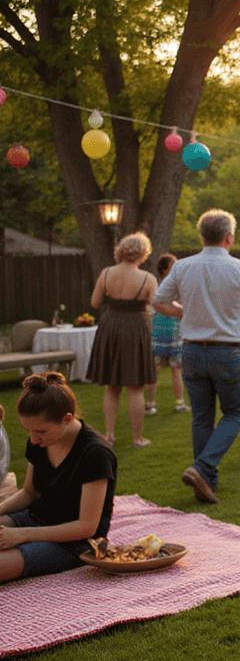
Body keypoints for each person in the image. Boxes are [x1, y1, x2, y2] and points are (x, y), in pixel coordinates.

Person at [152, 209, 240, 504]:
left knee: (201, 416)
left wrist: (184, 312)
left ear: (202, 236)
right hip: (226, 349)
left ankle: (205, 480)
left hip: (191, 349)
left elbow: (158, 300)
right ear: (229, 237)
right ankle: (202, 468)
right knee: (236, 412)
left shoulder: (183, 266)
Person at [0, 373, 117, 582]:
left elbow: (86, 527)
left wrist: (23, 535)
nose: (33, 439)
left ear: (67, 419)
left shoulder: (96, 453)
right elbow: (29, 492)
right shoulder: (39, 441)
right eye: (28, 431)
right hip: (33, 520)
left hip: (75, 542)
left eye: (40, 431)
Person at [85, 231, 158, 448]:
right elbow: (155, 307)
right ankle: (137, 438)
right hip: (135, 328)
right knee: (135, 387)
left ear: (122, 250)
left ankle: (108, 435)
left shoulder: (106, 273)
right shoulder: (148, 278)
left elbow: (96, 303)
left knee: (112, 386)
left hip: (110, 327)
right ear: (143, 253)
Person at [145, 253, 189, 416]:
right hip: (163, 327)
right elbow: (157, 305)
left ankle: (175, 402)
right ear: (164, 269)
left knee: (173, 367)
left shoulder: (174, 285)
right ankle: (155, 403)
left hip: (169, 327)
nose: (176, 267)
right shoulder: (164, 285)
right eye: (173, 264)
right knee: (161, 367)